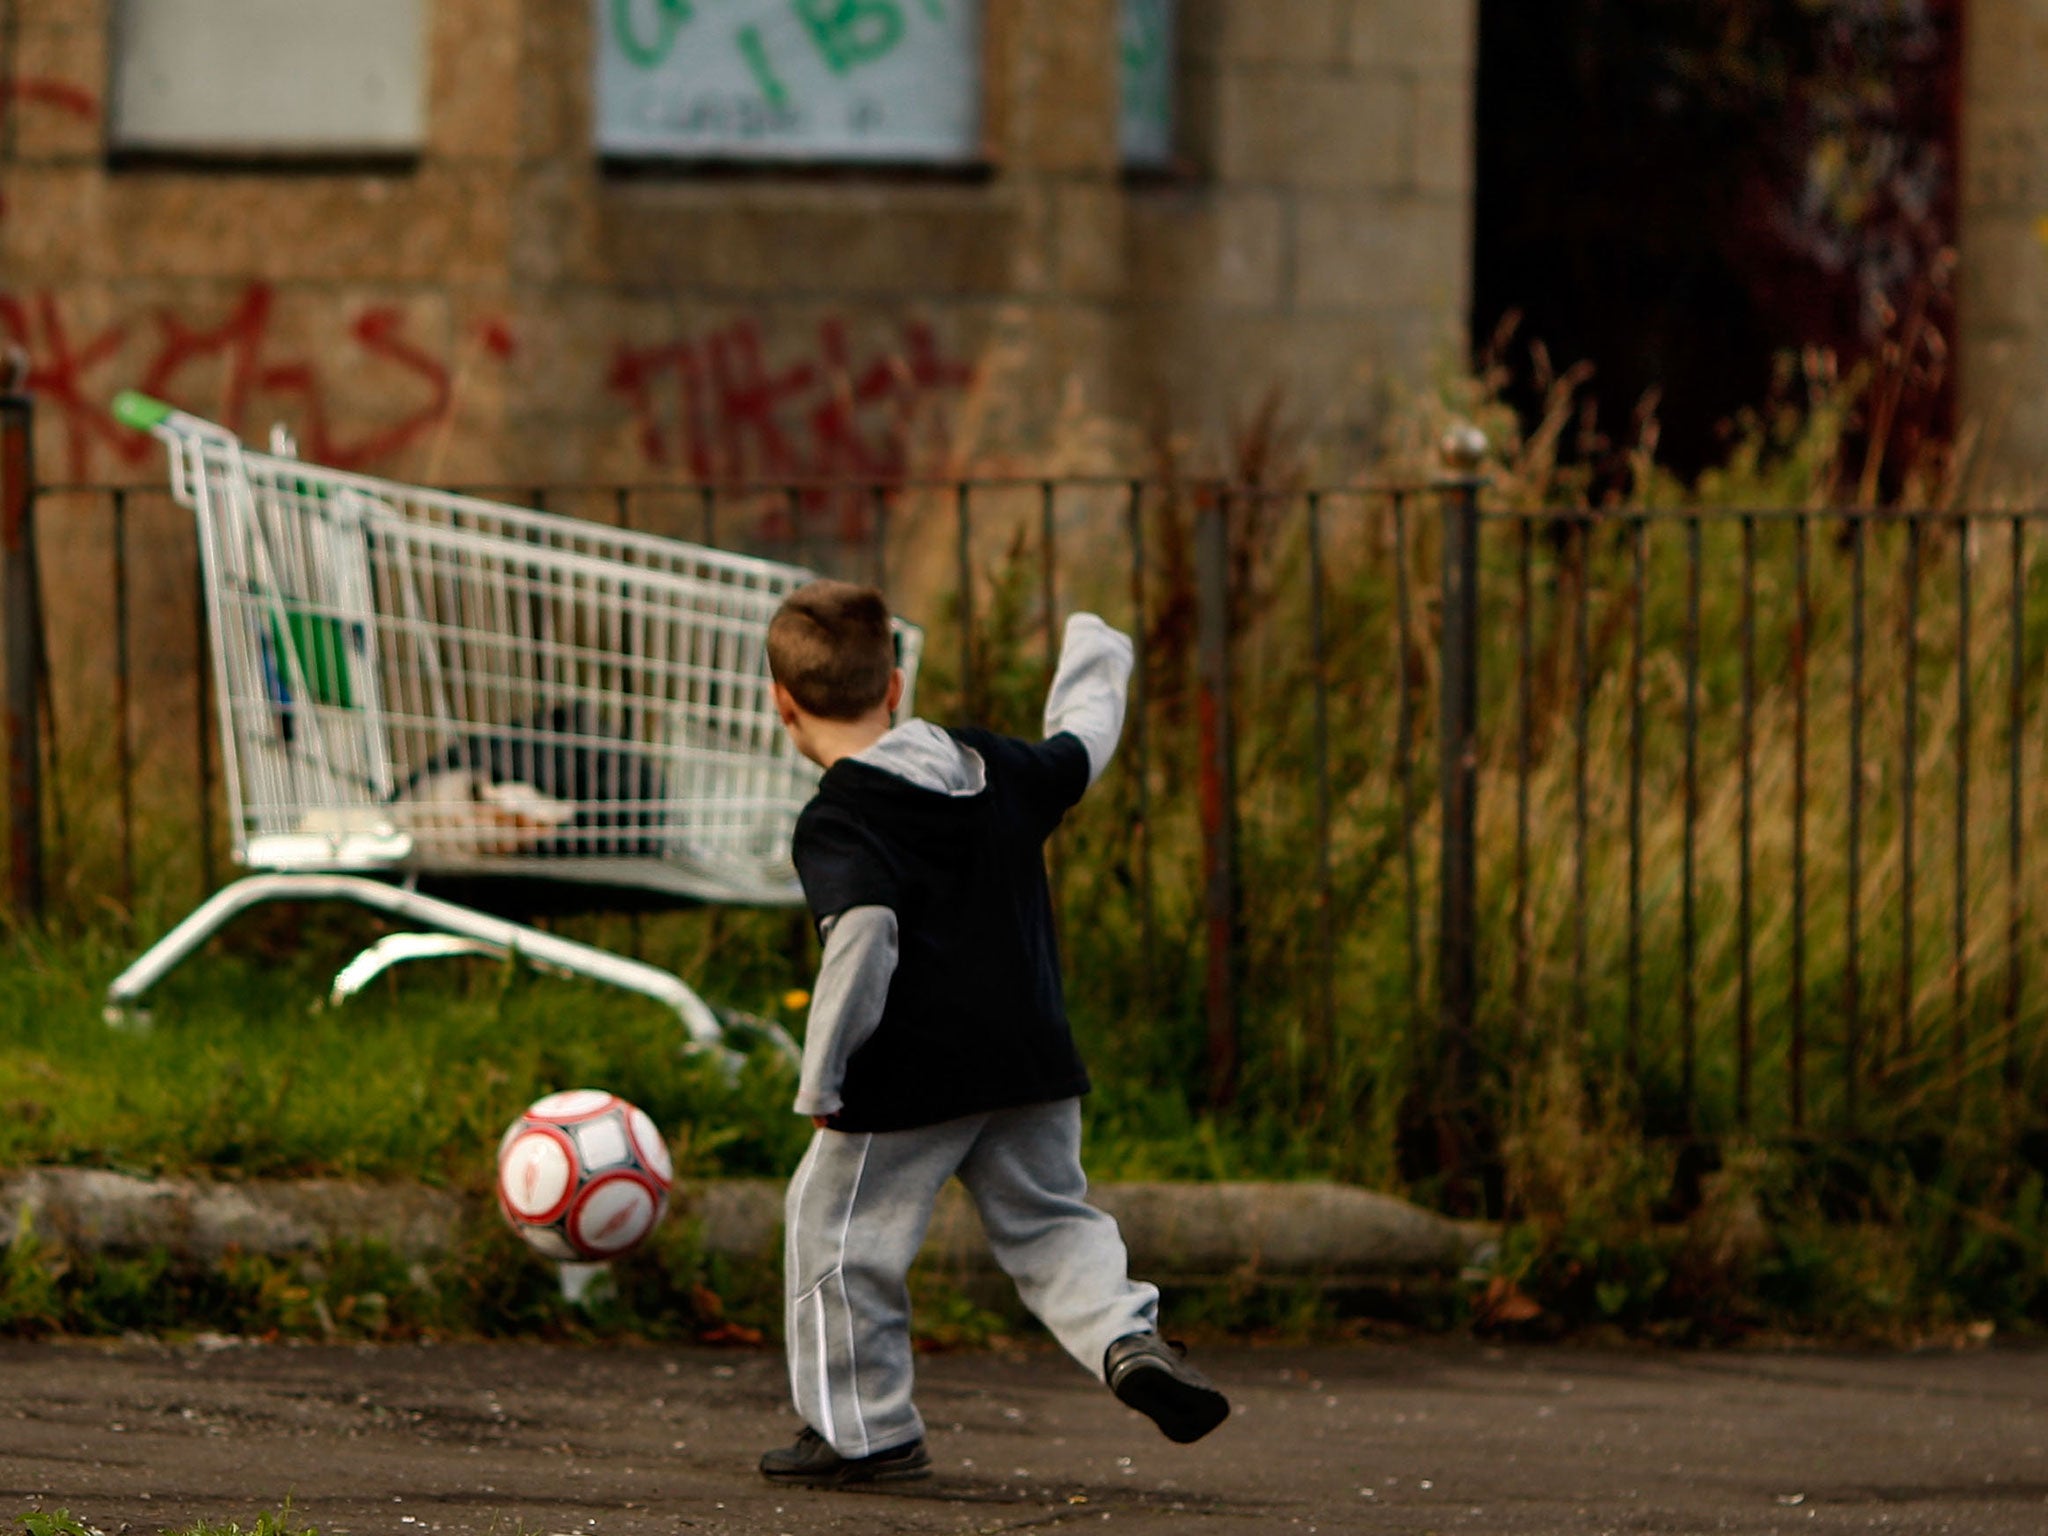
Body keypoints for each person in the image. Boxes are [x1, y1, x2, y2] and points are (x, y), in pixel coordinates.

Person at [757, 578, 1229, 1488]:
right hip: (1030, 1059)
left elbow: (863, 939)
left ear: (782, 704)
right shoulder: (990, 766)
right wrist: (1096, 649)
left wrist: (823, 1084)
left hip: (908, 1081)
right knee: (1052, 1223)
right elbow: (1082, 746)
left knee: (835, 1236)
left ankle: (863, 1434)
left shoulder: (841, 816)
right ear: (895, 685)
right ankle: (1129, 1341)